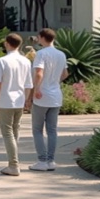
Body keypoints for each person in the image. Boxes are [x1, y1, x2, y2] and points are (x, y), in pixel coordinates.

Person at [0, 33, 34, 175]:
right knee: (15, 131)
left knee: (7, 132)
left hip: (6, 100)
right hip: (19, 99)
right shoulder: (26, 61)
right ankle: (13, 162)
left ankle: (13, 164)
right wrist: (26, 100)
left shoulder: (2, 60)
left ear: (7, 43)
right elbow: (28, 84)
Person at [29, 28, 67, 171]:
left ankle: (42, 160)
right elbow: (65, 73)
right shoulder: (61, 54)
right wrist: (55, 82)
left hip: (42, 95)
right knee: (52, 130)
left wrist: (36, 89)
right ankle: (51, 160)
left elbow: (39, 73)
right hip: (56, 94)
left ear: (42, 37)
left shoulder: (41, 53)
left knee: (37, 129)